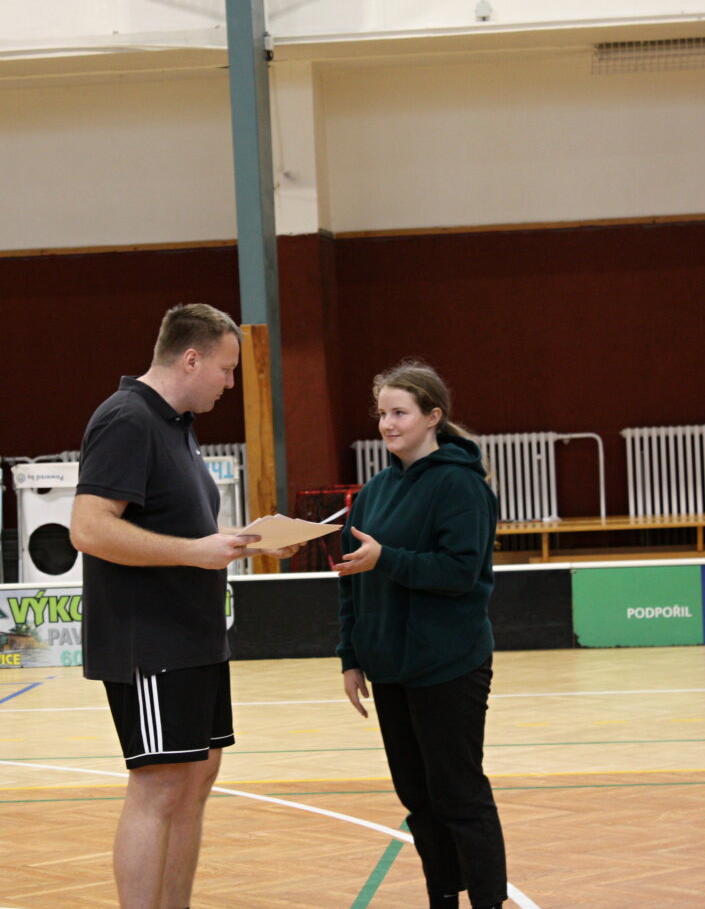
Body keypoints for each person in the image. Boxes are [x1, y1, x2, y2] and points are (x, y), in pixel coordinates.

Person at [70, 303, 298, 909]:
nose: (230, 382)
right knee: (160, 786)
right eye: (226, 368)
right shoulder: (126, 419)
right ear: (190, 359)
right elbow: (89, 528)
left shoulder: (175, 425)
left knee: (197, 777)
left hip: (195, 636)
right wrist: (197, 552)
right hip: (151, 642)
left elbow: (180, 530)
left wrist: (246, 541)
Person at [335, 360, 508, 909]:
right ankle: (443, 896)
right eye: (382, 413)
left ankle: (487, 900)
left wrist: (387, 558)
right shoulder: (373, 492)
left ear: (433, 417)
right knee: (418, 796)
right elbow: (350, 578)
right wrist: (350, 656)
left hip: (449, 664)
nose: (387, 424)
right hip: (390, 668)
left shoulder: (461, 485)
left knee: (459, 794)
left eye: (400, 413)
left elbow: (460, 573)